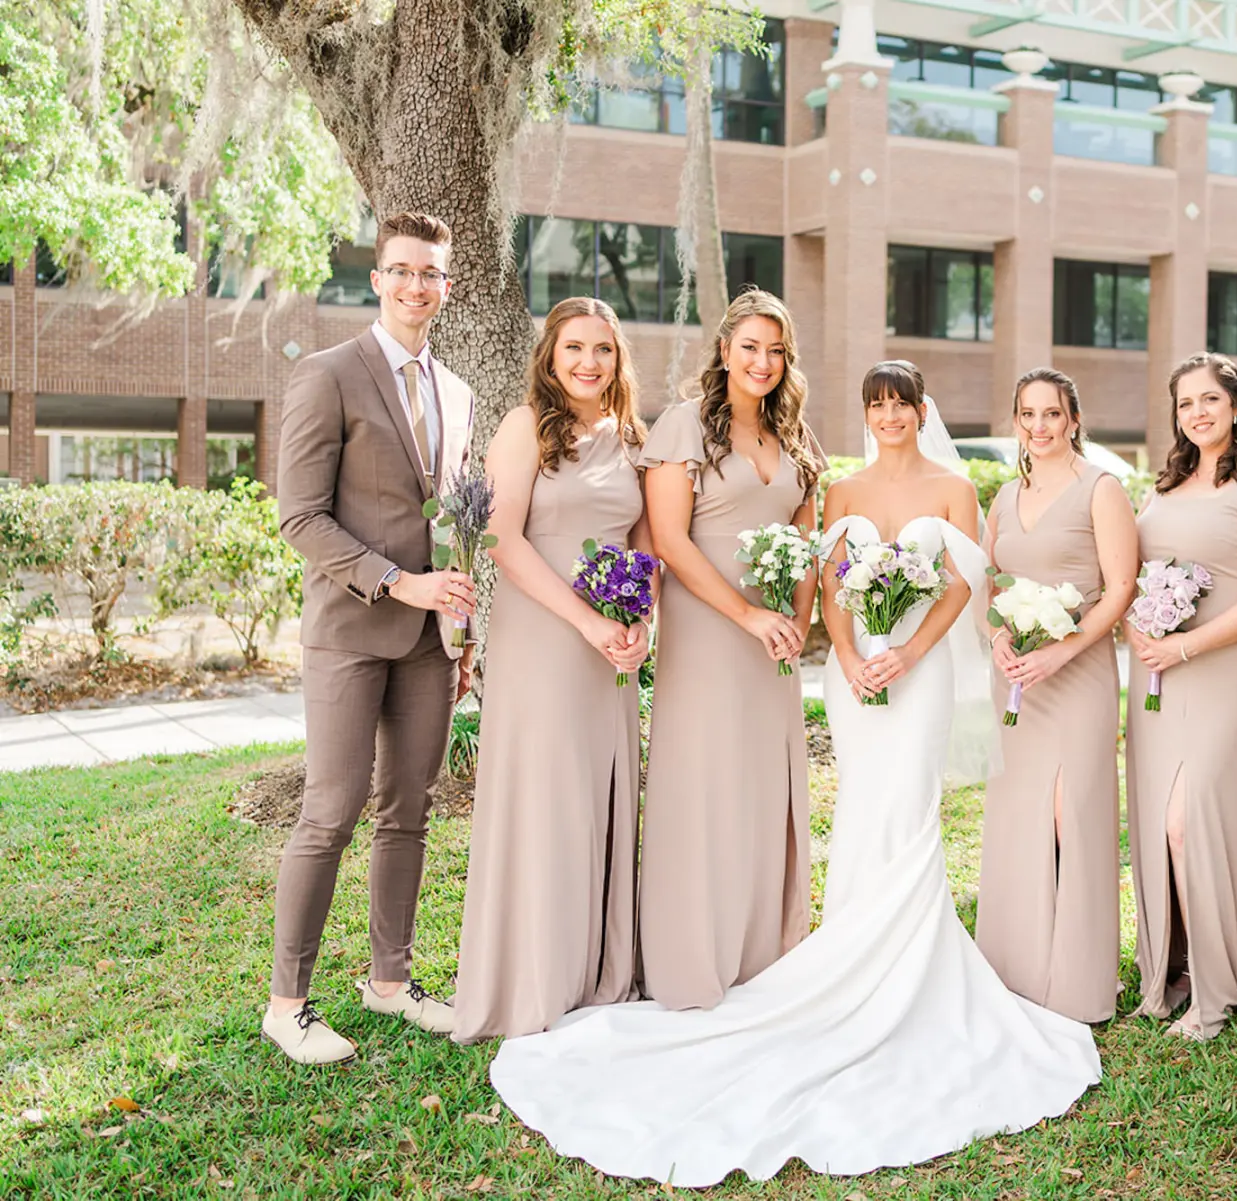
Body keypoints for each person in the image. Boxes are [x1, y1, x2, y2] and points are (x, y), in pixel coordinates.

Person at [483, 361, 1099, 1187]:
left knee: (909, 812)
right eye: (874, 403)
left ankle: (903, 969)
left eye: (899, 404)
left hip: (919, 677)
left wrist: (908, 651)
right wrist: (844, 653)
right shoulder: (838, 489)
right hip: (852, 677)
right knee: (859, 810)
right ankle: (844, 948)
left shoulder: (956, 487)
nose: (887, 415)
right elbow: (830, 582)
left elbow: (963, 585)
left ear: (922, 411)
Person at [264, 212, 475, 1064]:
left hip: (431, 644)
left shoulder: (456, 392)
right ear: (377, 279)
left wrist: (461, 630)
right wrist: (397, 582)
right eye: (402, 270)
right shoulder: (329, 375)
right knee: (330, 810)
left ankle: (391, 981)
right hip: (351, 632)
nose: (416, 285)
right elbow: (299, 516)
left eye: (431, 273)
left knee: (409, 811)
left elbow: (462, 522)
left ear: (446, 286)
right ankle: (288, 1003)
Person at [452, 298, 654, 1043]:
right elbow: (501, 538)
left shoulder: (632, 438)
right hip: (545, 638)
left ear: (617, 358)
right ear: (551, 352)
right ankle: (534, 977)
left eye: (603, 349)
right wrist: (588, 621)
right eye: (575, 347)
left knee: (598, 794)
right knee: (545, 799)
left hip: (611, 649)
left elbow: (640, 545)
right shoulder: (524, 427)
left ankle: (595, 973)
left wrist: (637, 624)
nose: (588, 363)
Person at [635, 289, 823, 1011]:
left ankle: (764, 952)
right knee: (706, 783)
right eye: (750, 347)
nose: (763, 362)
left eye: (776, 351)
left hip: (771, 646)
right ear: (723, 350)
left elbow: (809, 540)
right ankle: (693, 958)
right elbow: (670, 540)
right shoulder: (685, 425)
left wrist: (795, 621)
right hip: (712, 635)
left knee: (762, 786)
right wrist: (746, 614)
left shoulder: (796, 435)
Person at [1124, 353, 1237, 1040]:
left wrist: (1186, 645)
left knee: (1188, 820)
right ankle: (1184, 967)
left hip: (1220, 668)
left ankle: (1216, 990)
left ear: (1235, 404)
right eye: (1184, 403)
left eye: (1209, 399)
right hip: (1156, 676)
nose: (1197, 412)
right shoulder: (1164, 487)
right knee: (1160, 822)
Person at [977, 367, 1138, 1024]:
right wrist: (997, 639)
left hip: (1078, 675)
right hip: (1017, 679)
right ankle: (1014, 970)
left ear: (1073, 418)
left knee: (1072, 814)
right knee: (1020, 817)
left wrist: (1064, 649)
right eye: (1027, 414)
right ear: (1016, 422)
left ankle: (1078, 981)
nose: (1039, 427)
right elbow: (989, 582)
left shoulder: (1101, 490)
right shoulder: (1001, 498)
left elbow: (1121, 586)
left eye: (1051, 413)